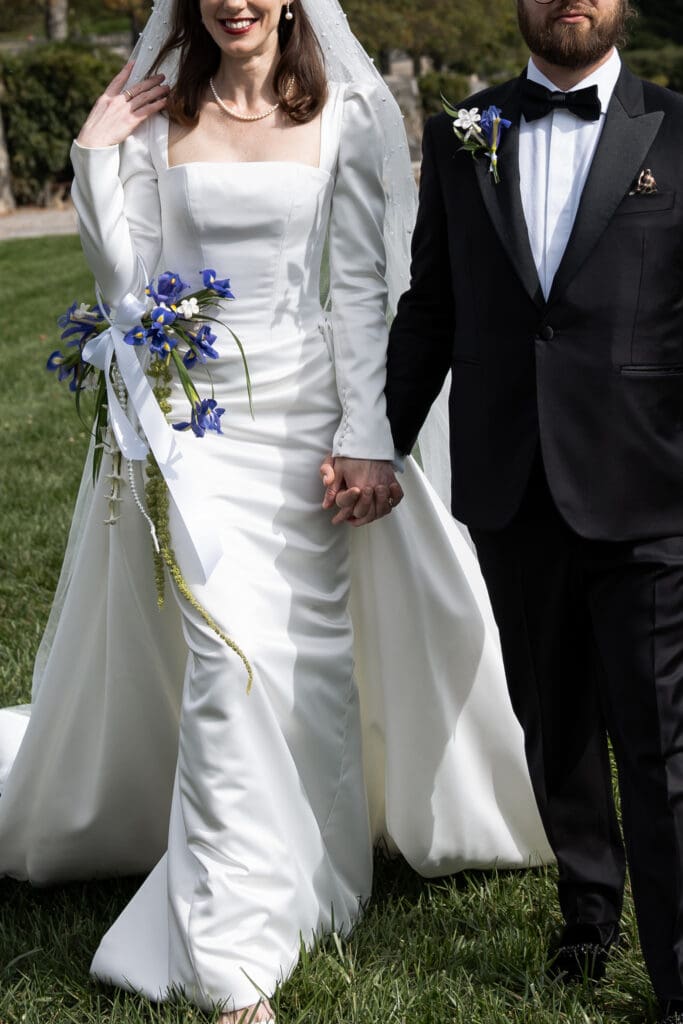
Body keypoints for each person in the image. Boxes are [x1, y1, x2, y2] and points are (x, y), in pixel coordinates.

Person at [0, 0, 551, 1021]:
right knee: (225, 656)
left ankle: (317, 869)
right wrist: (92, 157)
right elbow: (128, 291)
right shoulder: (158, 111)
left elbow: (355, 290)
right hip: (194, 426)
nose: (235, 1)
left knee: (305, 663)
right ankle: (229, 953)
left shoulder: (341, 109)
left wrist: (365, 436)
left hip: (305, 430)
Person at [385, 1, 683, 1021]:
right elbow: (432, 307)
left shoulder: (676, 131)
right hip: (511, 481)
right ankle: (587, 916)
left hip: (649, 485)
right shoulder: (460, 133)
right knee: (552, 720)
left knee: (657, 732)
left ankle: (676, 961)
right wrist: (376, 439)